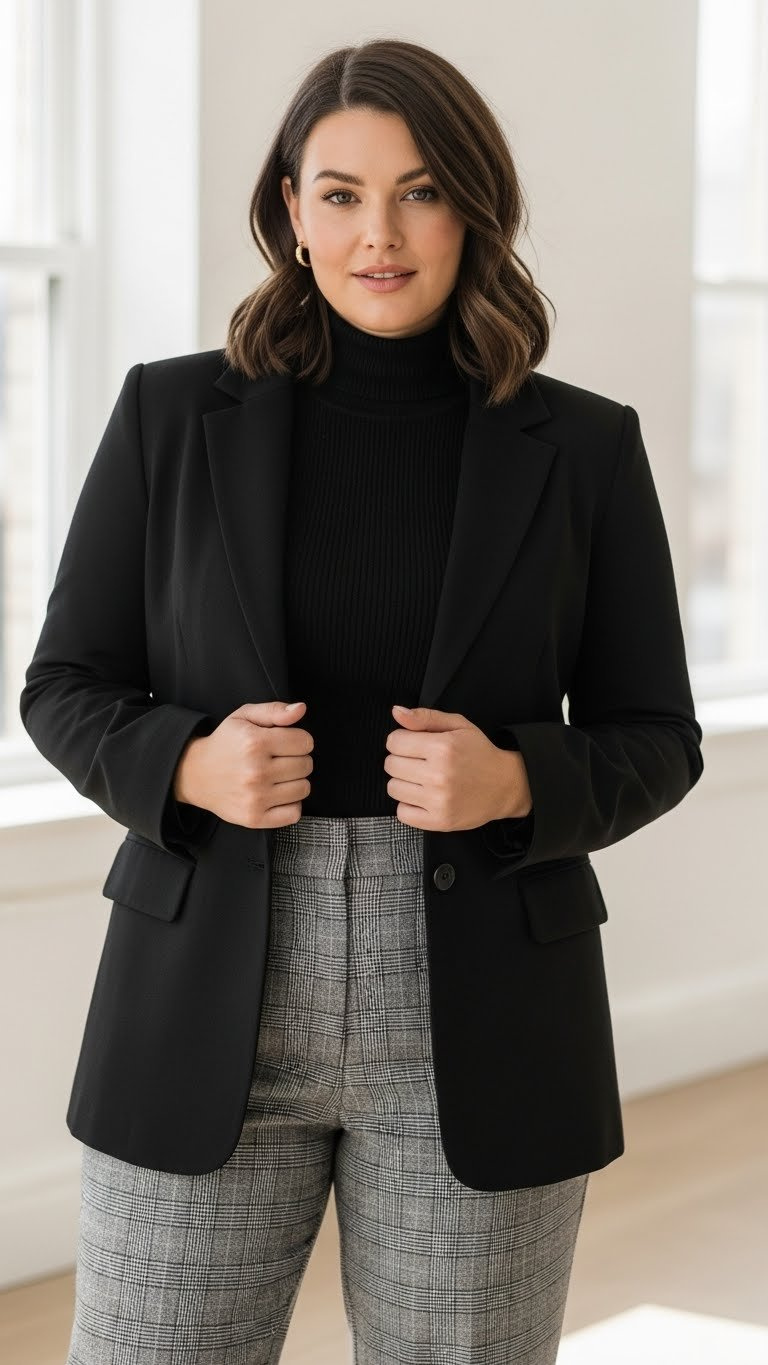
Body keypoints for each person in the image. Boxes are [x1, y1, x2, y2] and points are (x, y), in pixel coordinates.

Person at [19, 37, 704, 1365]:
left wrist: (519, 781)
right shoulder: (171, 418)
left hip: (484, 1007)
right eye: (340, 193)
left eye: (421, 191)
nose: (378, 233)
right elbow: (65, 683)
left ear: (474, 206)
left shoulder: (583, 448)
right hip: (203, 982)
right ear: (291, 208)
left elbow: (657, 733)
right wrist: (183, 763)